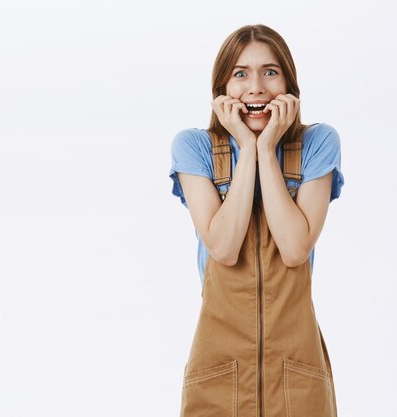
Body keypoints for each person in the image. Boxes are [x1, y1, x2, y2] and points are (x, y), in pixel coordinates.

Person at [168, 24, 344, 417]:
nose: (256, 87)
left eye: (270, 71)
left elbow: (296, 248)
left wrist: (268, 150)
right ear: (222, 89)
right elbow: (224, 248)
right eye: (240, 74)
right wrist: (246, 148)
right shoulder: (193, 147)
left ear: (289, 84)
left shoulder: (319, 143)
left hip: (297, 373)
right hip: (217, 372)